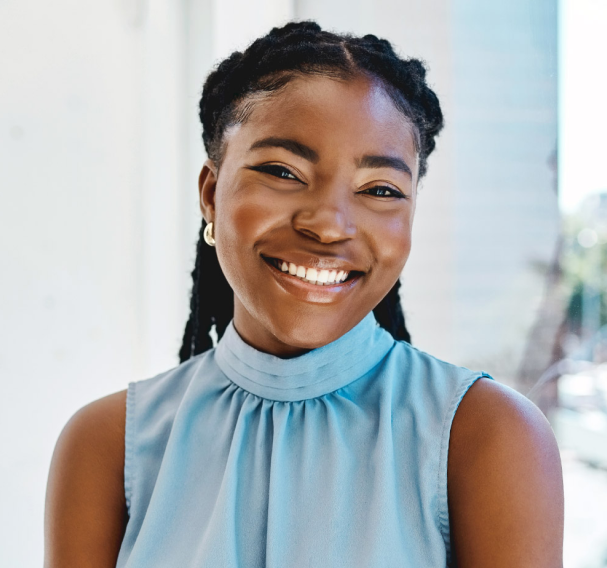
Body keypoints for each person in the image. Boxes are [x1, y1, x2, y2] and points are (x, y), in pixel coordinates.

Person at [44, 21, 564, 568]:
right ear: (210, 196)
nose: (329, 224)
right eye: (283, 171)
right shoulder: (106, 445)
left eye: (381, 189)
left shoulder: (487, 436)